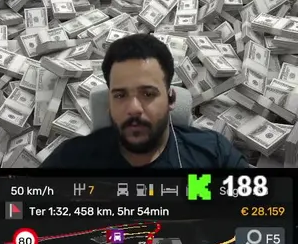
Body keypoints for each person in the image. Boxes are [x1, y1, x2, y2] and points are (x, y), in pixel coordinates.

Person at [41, 33, 250, 169]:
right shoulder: (70, 160)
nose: (134, 109)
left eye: (148, 94)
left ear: (171, 99)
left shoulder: (213, 155)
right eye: (120, 95)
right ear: (109, 104)